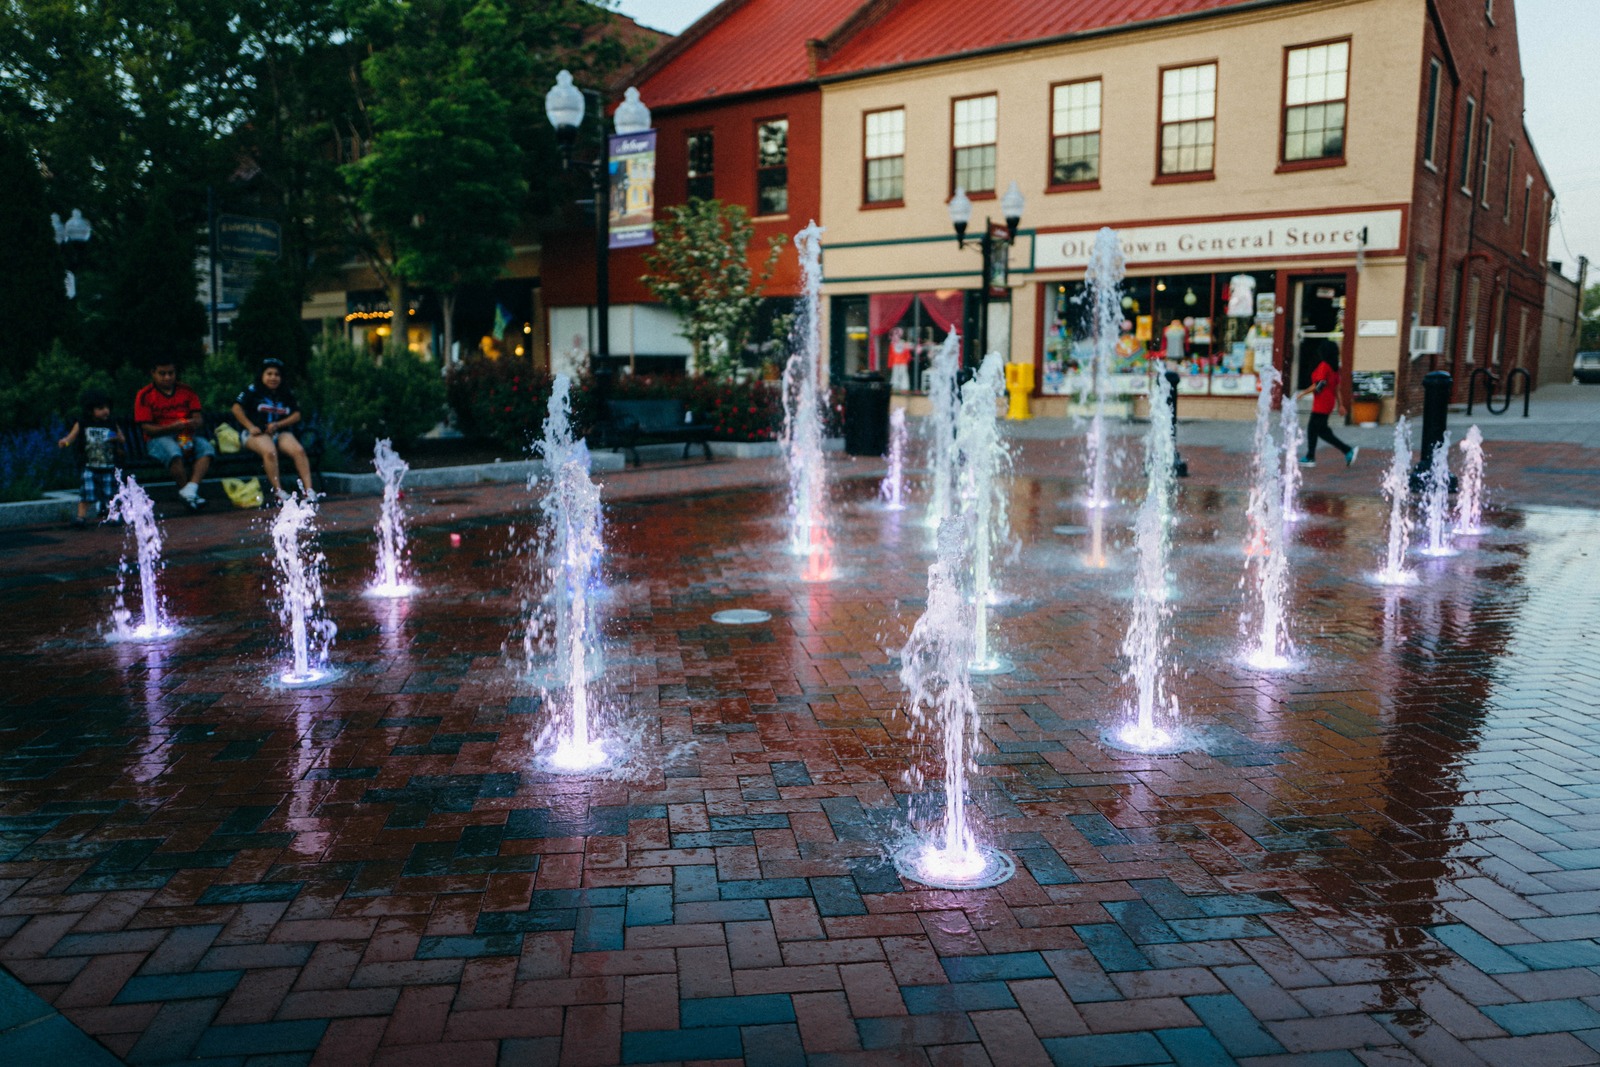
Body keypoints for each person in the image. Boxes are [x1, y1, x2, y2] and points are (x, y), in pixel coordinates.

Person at [133, 362, 214, 509]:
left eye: (171, 373)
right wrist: (171, 427)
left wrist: (192, 423)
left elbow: (198, 418)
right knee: (173, 452)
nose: (167, 377)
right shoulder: (145, 395)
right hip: (158, 438)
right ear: (153, 373)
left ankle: (190, 491)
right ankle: (188, 495)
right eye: (162, 373)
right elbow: (147, 428)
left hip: (185, 435)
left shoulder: (186, 391)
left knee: (205, 448)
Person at [231, 358, 314, 500]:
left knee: (299, 450)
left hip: (279, 432)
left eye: (277, 374)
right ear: (262, 375)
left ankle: (309, 491)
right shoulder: (253, 390)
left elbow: (296, 415)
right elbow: (236, 408)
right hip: (256, 434)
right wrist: (250, 426)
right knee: (270, 452)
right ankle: (278, 492)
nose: (273, 377)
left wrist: (278, 425)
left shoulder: (286, 392)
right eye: (269, 374)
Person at [57, 389, 125, 528]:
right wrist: (66, 441)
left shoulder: (111, 424)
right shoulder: (83, 424)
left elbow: (122, 439)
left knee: (110, 492)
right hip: (89, 465)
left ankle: (113, 515)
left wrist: (117, 438)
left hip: (108, 465)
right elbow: (72, 436)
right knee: (87, 492)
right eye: (100, 408)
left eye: (107, 408)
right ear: (90, 410)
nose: (105, 411)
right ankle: (81, 517)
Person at [1296, 339, 1358, 467]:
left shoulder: (1324, 365)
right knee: (1322, 431)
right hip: (1328, 402)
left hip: (1322, 403)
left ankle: (1311, 457)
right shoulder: (1334, 368)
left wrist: (1302, 393)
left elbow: (1319, 384)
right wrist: (1340, 405)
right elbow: (1336, 389)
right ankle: (1347, 451)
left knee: (1313, 428)